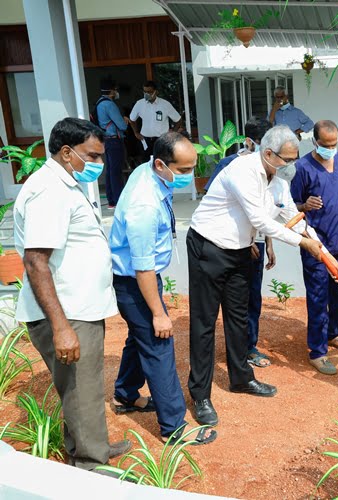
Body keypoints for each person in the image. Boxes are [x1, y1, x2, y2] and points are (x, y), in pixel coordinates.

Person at [13, 117, 130, 475]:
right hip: (66, 313)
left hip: (78, 308)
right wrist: (61, 327)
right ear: (67, 153)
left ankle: (89, 445)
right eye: (92, 156)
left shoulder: (63, 184)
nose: (99, 164)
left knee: (83, 389)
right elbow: (36, 262)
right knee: (83, 390)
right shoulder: (49, 190)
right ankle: (91, 467)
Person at [187, 125, 323, 427]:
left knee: (238, 316)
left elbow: (292, 216)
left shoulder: (279, 181)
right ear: (268, 153)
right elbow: (260, 219)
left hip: (240, 250)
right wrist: (303, 243)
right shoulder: (243, 170)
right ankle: (200, 395)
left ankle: (241, 378)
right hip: (208, 247)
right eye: (287, 159)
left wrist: (316, 242)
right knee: (204, 322)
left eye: (294, 158)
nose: (292, 165)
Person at [109, 131, 215, 445]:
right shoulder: (144, 205)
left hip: (137, 278)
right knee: (159, 345)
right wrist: (158, 313)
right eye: (182, 170)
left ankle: (127, 394)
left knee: (138, 338)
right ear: (159, 164)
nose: (189, 176)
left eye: (192, 167)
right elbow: (142, 268)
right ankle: (174, 427)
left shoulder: (151, 175)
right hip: (135, 280)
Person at [205, 118, 276, 368]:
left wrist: (268, 243)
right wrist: (245, 241)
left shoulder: (269, 168)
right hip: (232, 246)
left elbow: (267, 209)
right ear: (249, 142)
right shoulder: (230, 165)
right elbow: (218, 208)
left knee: (252, 299)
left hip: (255, 243)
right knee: (234, 301)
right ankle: (237, 349)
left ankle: (249, 346)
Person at [291, 120, 338, 374]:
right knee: (318, 297)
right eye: (326, 145)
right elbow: (289, 206)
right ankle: (318, 351)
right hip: (316, 244)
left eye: (334, 144)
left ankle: (335, 334)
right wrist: (304, 206)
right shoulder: (302, 168)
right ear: (314, 141)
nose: (331, 148)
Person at [95, 78, 128, 209]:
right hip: (114, 140)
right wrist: (124, 121)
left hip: (105, 141)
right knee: (116, 172)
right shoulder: (109, 104)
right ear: (111, 91)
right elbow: (121, 125)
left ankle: (112, 200)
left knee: (110, 171)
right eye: (115, 90)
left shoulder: (99, 103)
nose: (116, 92)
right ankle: (119, 200)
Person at [129, 80, 182, 157]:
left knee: (161, 164)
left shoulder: (165, 104)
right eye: (145, 91)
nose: (147, 94)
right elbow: (132, 119)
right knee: (146, 165)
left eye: (149, 92)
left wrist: (172, 133)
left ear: (156, 92)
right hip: (145, 140)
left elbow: (178, 120)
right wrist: (136, 132)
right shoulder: (139, 104)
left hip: (161, 140)